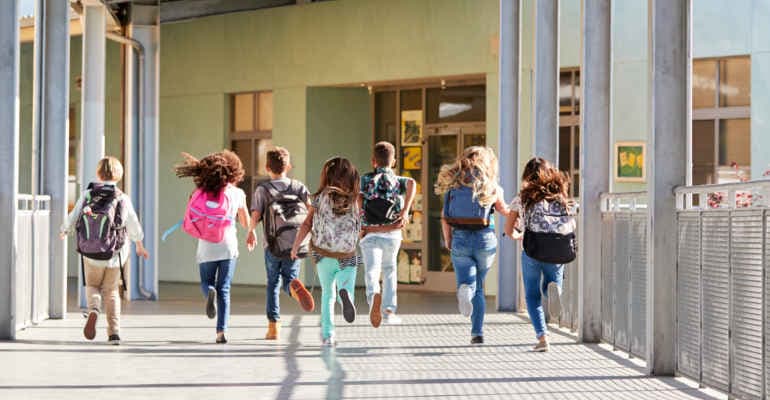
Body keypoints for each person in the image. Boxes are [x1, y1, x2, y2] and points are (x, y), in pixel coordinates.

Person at [60, 156, 149, 345]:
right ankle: (114, 333)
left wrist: (64, 230)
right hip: (115, 254)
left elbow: (74, 215)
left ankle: (93, 310)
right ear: (119, 175)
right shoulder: (122, 197)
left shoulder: (88, 194)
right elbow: (133, 224)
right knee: (111, 292)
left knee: (92, 285)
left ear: (98, 173)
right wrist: (139, 244)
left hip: (90, 253)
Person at [435, 146, 509, 345]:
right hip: (485, 240)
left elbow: (445, 217)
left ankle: (465, 289)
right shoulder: (491, 185)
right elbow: (505, 211)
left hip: (460, 238)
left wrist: (449, 240)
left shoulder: (454, 184)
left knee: (468, 283)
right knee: (479, 288)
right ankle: (477, 333)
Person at [175, 150, 249, 344]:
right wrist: (251, 231)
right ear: (233, 172)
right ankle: (221, 333)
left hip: (206, 246)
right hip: (228, 247)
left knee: (206, 282)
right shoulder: (237, 193)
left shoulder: (199, 193)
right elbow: (245, 222)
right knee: (224, 288)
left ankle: (209, 293)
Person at [504, 157, 576, 352]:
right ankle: (554, 290)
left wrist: (519, 235)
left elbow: (509, 230)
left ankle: (542, 338)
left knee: (532, 296)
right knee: (553, 282)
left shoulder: (522, 198)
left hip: (532, 250)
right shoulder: (560, 196)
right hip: (558, 248)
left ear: (527, 176)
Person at [290, 157, 361, 347]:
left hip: (323, 254)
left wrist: (296, 245)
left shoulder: (320, 198)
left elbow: (306, 224)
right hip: (348, 254)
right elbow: (361, 224)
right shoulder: (356, 199)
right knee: (346, 285)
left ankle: (328, 335)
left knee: (327, 294)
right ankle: (345, 294)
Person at [246, 147, 315, 341]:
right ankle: (294, 288)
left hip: (272, 244)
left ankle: (273, 327)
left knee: (272, 284)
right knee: (289, 278)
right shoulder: (299, 187)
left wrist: (251, 231)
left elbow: (256, 214)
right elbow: (311, 212)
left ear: (267, 167)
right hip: (295, 242)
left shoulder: (263, 189)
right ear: (289, 166)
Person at [359, 142, 416, 327]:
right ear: (394, 162)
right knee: (390, 270)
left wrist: (361, 220)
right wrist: (405, 211)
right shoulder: (397, 180)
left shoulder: (365, 179)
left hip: (369, 232)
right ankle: (389, 311)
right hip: (392, 233)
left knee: (372, 271)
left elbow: (357, 198)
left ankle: (373, 299)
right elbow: (412, 183)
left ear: (373, 161)